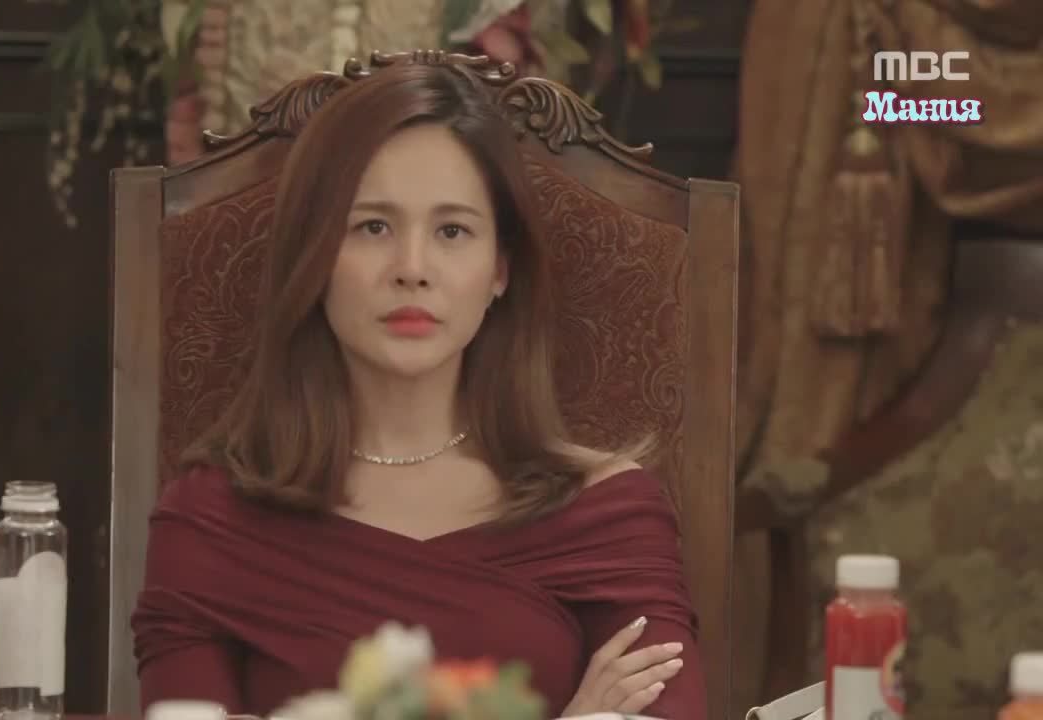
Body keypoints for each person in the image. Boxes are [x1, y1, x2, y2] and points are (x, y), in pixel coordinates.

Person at [131, 61, 705, 720]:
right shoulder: (210, 521)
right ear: (315, 257)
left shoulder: (606, 514)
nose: (412, 269)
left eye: (452, 231)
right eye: (372, 227)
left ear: (500, 268)